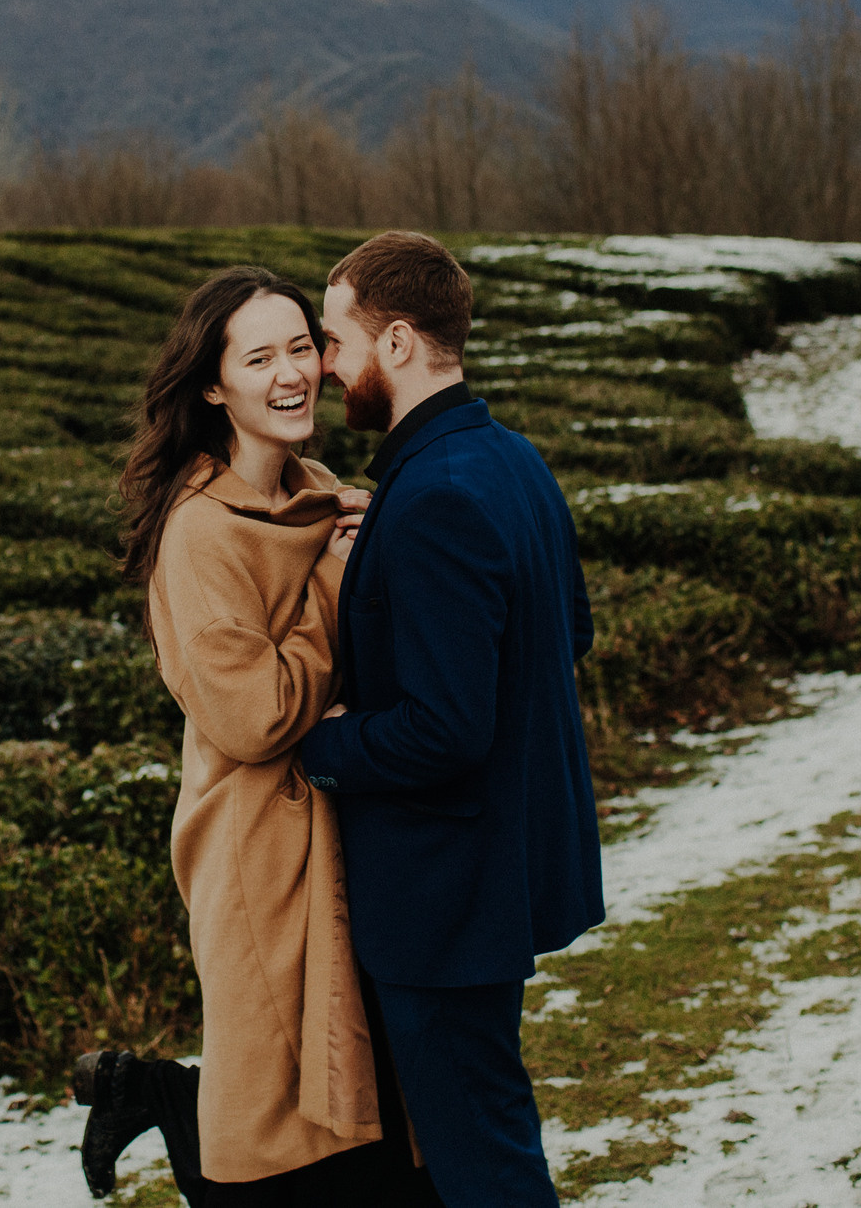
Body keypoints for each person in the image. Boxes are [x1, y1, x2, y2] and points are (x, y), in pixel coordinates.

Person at [74, 266, 432, 1205]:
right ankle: (154, 1093)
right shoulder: (199, 535)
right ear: (212, 384)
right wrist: (332, 584)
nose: (290, 373)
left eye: (302, 348)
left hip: (346, 835)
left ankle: (157, 1093)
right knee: (282, 1147)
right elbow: (257, 713)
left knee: (366, 1117)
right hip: (260, 858)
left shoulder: (317, 492)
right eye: (259, 356)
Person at [291, 231, 606, 1208]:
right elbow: (570, 633)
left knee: (481, 1161)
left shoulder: (431, 496)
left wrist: (322, 739)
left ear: (393, 345)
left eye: (335, 341)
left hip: (444, 895)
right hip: (492, 869)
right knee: (480, 1136)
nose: (326, 367)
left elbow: (445, 729)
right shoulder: (508, 461)